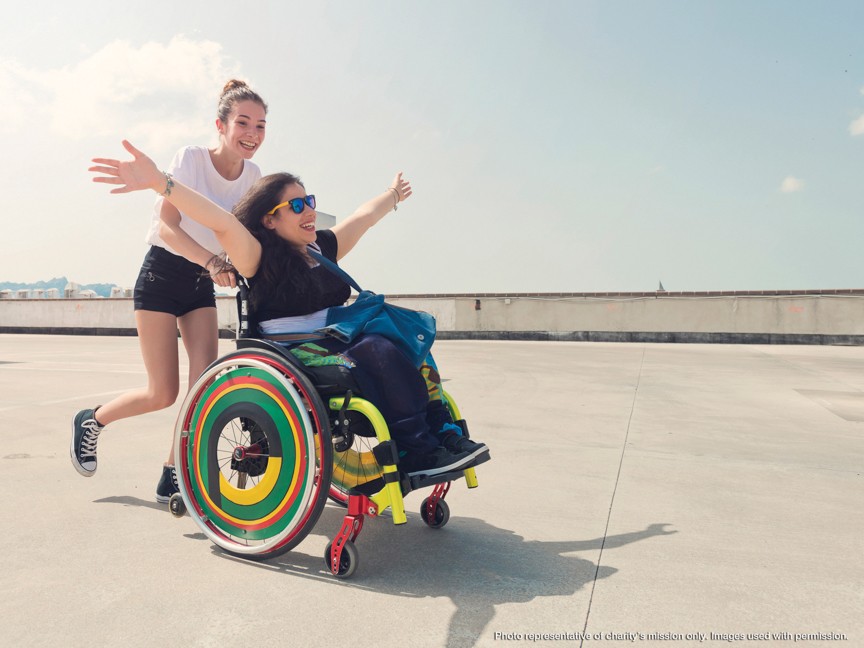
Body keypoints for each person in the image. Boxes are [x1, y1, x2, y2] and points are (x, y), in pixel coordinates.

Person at [88, 141, 489, 477]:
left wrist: (393, 195)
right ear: (269, 219)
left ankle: (443, 432)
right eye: (296, 206)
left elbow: (363, 219)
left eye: (309, 201)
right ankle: (417, 451)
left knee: (409, 339)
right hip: (293, 351)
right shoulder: (258, 255)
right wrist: (161, 182)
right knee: (379, 348)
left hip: (334, 341)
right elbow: (222, 223)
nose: (309, 211)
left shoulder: (323, 248)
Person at [71, 81, 269, 503]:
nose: (252, 133)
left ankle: (174, 471)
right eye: (243, 122)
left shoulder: (253, 177)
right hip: (162, 274)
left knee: (204, 389)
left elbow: (241, 235)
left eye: (261, 125)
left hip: (200, 285)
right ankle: (92, 420)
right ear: (221, 125)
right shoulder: (192, 159)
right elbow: (167, 227)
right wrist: (214, 262)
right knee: (163, 392)